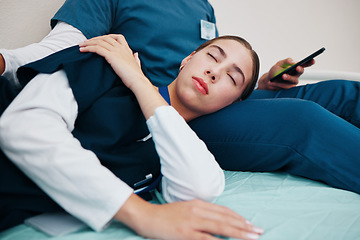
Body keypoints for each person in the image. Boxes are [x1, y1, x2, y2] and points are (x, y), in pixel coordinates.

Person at [1, 0, 359, 213]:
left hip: (210, 101)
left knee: (341, 93)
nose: (213, 65)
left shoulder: (202, 6)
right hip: (161, 103)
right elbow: (62, 50)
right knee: (303, 119)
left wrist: (263, 83)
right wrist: (6, 60)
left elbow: (221, 67)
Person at [0, 34, 264, 240]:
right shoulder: (110, 59)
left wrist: (139, 83)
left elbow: (201, 188)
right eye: (212, 57)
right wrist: (143, 215)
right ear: (188, 59)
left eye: (231, 77)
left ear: (232, 103)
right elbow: (22, 126)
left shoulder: (171, 150)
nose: (214, 72)